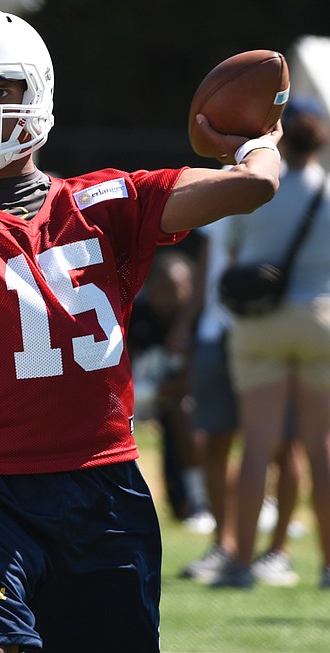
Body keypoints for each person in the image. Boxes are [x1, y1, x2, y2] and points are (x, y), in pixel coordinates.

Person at [0, 9, 282, 651]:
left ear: (39, 92)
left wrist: (256, 138)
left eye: (1, 91)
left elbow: (253, 186)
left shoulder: (105, 200)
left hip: (101, 488)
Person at [211, 95, 330, 589]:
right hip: (321, 321)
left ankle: (239, 562)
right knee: (320, 448)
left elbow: (234, 252)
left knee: (257, 446)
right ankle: (327, 565)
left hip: (260, 325)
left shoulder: (260, 186)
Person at [181, 219, 303, 586]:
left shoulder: (292, 185)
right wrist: (187, 321)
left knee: (282, 446)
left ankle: (277, 551)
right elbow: (209, 261)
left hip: (271, 335)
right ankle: (224, 544)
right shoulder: (217, 181)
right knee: (214, 440)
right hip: (216, 332)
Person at [128, 249, 209, 523]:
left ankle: (198, 499)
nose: (169, 298)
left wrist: (155, 391)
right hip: (133, 395)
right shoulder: (136, 312)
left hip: (175, 398)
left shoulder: (200, 319)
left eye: (177, 289)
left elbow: (196, 377)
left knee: (182, 407)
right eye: (161, 289)